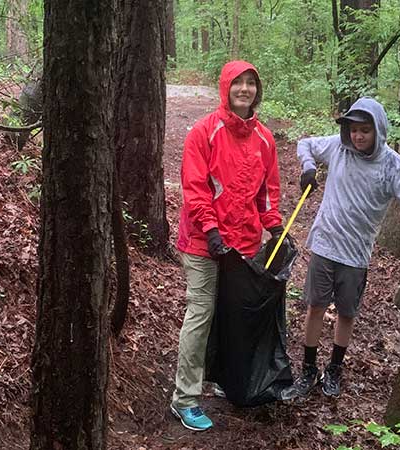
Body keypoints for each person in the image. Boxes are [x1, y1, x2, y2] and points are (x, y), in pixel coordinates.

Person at [281, 97, 400, 400]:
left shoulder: (391, 164)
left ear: (377, 130)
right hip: (324, 244)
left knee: (347, 313)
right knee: (315, 307)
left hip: (356, 254)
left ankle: (334, 368)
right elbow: (306, 144)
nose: (358, 136)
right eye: (353, 130)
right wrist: (308, 169)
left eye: (365, 130)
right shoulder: (338, 146)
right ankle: (309, 369)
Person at [171, 60, 285, 431]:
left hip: (244, 243)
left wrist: (276, 230)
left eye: (251, 83)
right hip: (204, 242)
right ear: (226, 87)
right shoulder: (204, 132)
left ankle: (222, 377)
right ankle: (185, 399)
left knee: (235, 314)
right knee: (201, 313)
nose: (245, 89)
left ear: (258, 91)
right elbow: (195, 187)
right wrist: (211, 229)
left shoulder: (265, 139)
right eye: (238, 83)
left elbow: (267, 194)